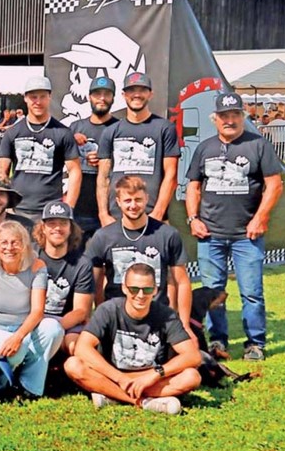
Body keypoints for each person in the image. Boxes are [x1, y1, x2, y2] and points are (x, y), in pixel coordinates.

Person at [185, 92, 283, 362]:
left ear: (243, 116)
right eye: (224, 116)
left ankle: (255, 343)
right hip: (210, 235)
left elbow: (274, 185)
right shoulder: (204, 148)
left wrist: (260, 217)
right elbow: (193, 185)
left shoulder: (258, 145)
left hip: (246, 235)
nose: (230, 120)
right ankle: (217, 341)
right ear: (215, 119)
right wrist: (193, 219)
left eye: (235, 115)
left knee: (251, 292)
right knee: (213, 291)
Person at [64, 263, 201, 415]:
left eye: (147, 289)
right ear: (124, 288)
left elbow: (193, 356)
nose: (140, 295)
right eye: (134, 289)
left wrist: (155, 374)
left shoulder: (166, 315)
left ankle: (112, 396)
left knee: (191, 376)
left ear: (155, 290)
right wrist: (119, 378)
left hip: (149, 376)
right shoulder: (108, 309)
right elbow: (82, 348)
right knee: (73, 365)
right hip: (112, 374)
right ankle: (143, 402)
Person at [0, 221, 62, 397]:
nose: (9, 248)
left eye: (15, 242)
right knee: (19, 349)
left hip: (23, 327)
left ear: (24, 245)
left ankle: (28, 387)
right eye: (4, 242)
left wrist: (18, 336)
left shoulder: (36, 266)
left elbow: (38, 311)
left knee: (53, 329)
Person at [86, 175, 193, 338]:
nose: (133, 205)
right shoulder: (103, 236)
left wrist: (184, 324)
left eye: (138, 200)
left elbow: (182, 281)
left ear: (147, 199)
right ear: (118, 201)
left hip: (157, 315)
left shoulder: (167, 234)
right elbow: (95, 283)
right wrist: (99, 315)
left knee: (191, 357)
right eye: (128, 200)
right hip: (117, 316)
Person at [96, 72, 180, 224]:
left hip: (154, 217)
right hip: (116, 218)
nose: (137, 95)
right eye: (131, 90)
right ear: (123, 94)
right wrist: (103, 215)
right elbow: (103, 177)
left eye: (142, 90)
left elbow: (171, 175)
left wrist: (158, 213)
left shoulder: (164, 128)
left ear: (151, 94)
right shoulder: (110, 131)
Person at [0, 76, 81, 222]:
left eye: (42, 96)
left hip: (51, 210)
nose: (38, 101)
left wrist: (68, 207)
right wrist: (6, 205)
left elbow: (74, 171)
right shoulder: (12, 133)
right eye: (33, 97)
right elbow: (2, 172)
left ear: (49, 97)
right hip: (17, 209)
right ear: (25, 98)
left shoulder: (63, 132)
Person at [33, 201, 94, 354]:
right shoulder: (31, 257)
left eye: (63, 223)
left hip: (66, 322)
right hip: (33, 318)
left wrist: (54, 329)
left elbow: (81, 311)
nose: (57, 228)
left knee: (75, 348)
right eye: (52, 224)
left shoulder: (82, 263)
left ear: (71, 228)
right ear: (43, 228)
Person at [69, 76, 116, 238]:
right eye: (97, 94)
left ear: (113, 98)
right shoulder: (75, 127)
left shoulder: (119, 128)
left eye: (106, 94)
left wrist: (106, 159)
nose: (102, 98)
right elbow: (59, 158)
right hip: (80, 204)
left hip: (110, 206)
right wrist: (71, 140)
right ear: (89, 97)